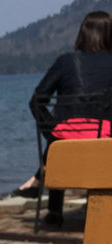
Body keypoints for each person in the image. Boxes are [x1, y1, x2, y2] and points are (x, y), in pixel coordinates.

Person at [14, 10, 112, 226]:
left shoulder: (66, 62)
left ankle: (54, 211)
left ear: (82, 35)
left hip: (65, 145)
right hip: (106, 145)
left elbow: (36, 102)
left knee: (63, 130)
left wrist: (53, 134)